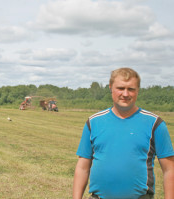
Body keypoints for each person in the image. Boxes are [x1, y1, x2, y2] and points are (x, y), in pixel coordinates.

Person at [73, 68, 174, 199]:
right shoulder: (93, 122)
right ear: (110, 88)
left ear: (138, 90)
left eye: (131, 89)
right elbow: (82, 168)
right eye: (120, 88)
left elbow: (169, 169)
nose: (125, 94)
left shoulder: (155, 123)